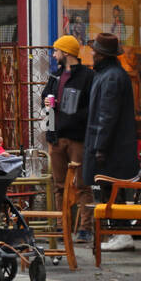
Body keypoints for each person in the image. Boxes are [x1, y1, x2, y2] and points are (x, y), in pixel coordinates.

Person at [82, 32, 141, 252]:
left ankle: (122, 232)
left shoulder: (112, 77)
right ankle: (119, 232)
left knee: (111, 188)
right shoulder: (109, 75)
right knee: (109, 189)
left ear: (103, 55)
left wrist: (100, 147)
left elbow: (106, 115)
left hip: (112, 147)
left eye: (95, 51)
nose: (92, 54)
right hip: (111, 145)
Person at [40, 34, 95, 239]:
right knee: (59, 185)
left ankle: (85, 228)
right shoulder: (55, 76)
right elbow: (45, 97)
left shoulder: (87, 77)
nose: (54, 55)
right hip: (55, 136)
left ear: (66, 53)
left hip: (77, 138)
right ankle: (62, 225)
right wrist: (46, 102)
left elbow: (91, 107)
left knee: (82, 184)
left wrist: (71, 117)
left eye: (56, 51)